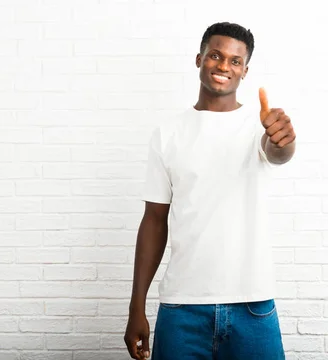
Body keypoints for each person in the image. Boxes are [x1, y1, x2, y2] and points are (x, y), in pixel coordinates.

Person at [124, 22, 296, 360]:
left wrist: (282, 139)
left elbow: (277, 152)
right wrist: (136, 307)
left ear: (245, 71)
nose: (223, 66)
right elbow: (154, 222)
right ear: (199, 58)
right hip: (182, 309)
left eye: (235, 61)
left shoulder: (257, 125)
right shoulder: (168, 133)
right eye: (216, 55)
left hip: (252, 306)